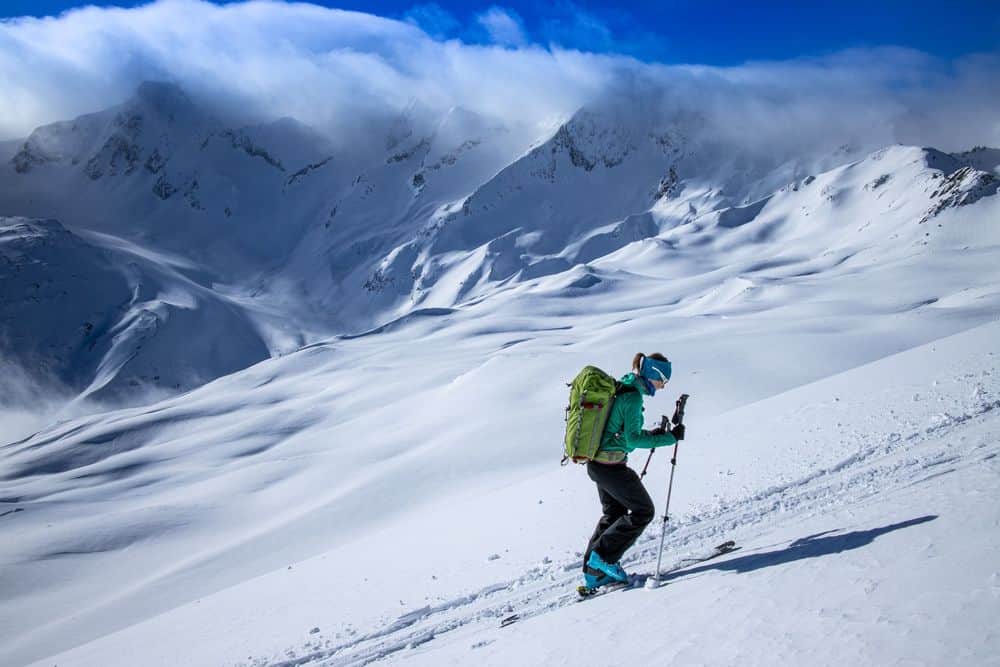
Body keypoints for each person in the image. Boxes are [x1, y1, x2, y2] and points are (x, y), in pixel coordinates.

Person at [582, 352, 685, 588]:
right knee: (643, 511)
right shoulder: (633, 398)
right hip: (611, 467)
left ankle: (593, 572)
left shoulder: (626, 385)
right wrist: (669, 438)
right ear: (653, 374)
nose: (663, 387)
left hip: (598, 463)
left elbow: (623, 435)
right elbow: (633, 438)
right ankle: (602, 559)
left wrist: (656, 435)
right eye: (663, 381)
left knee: (614, 513)